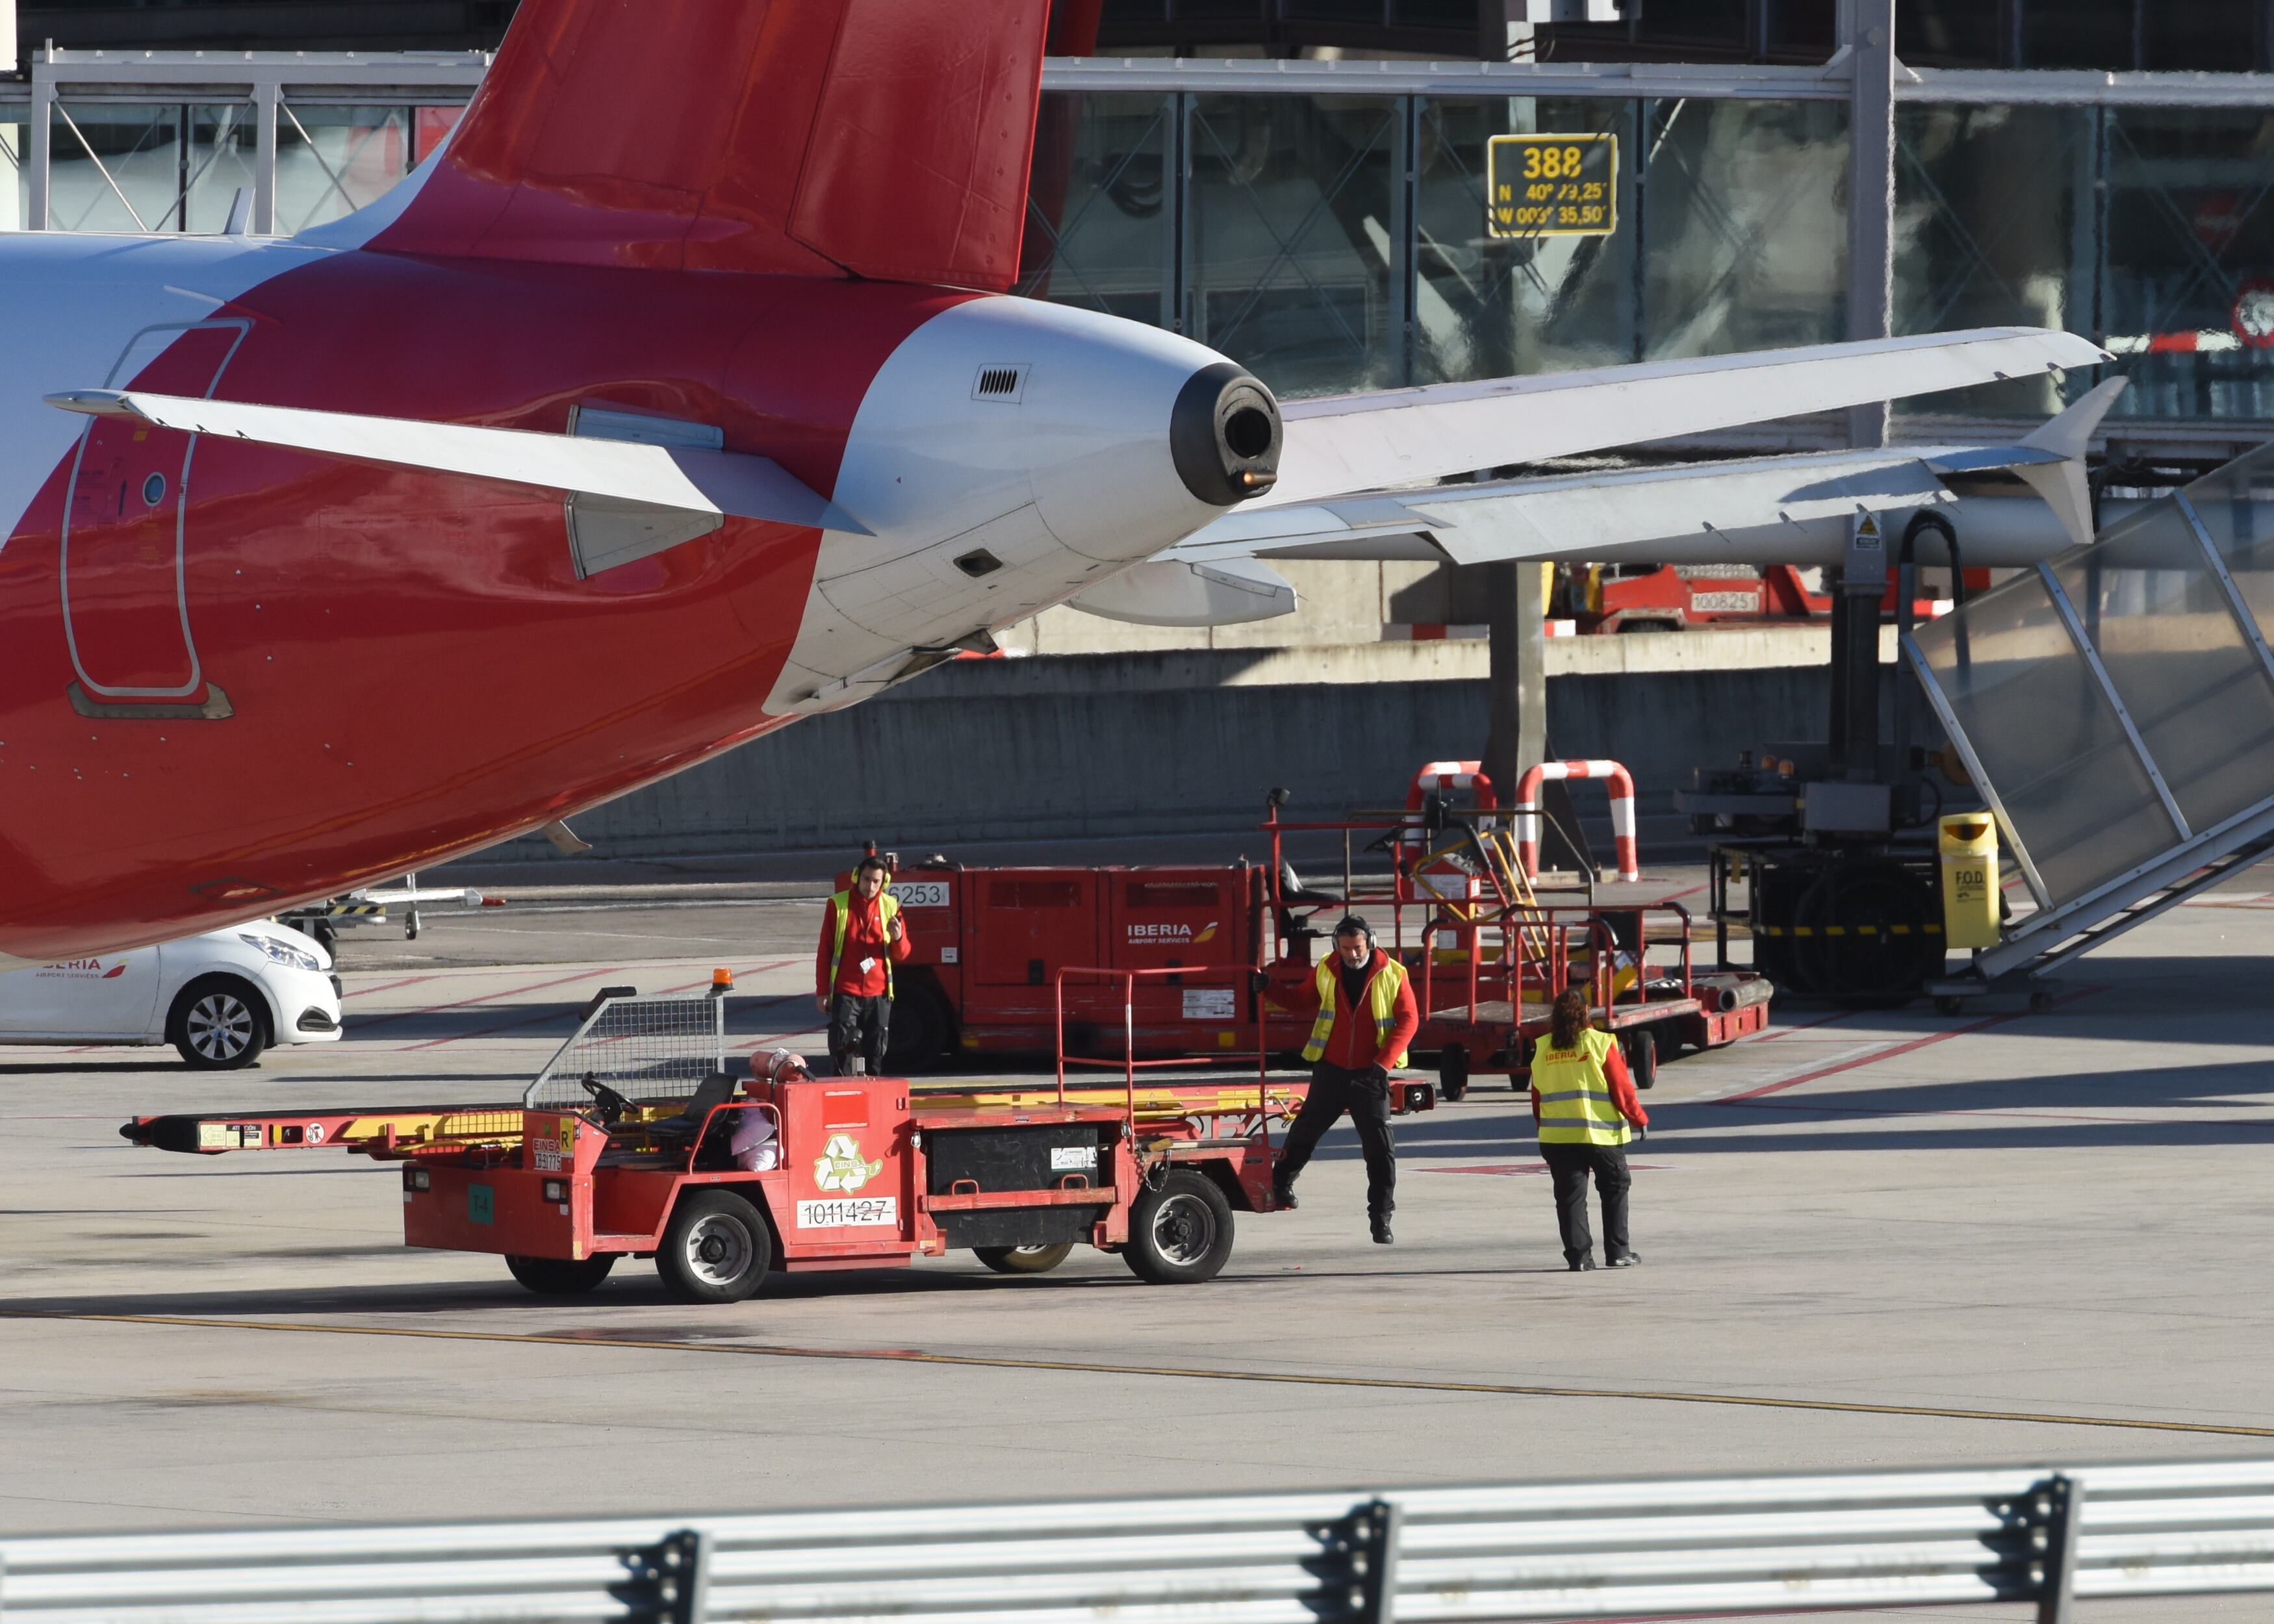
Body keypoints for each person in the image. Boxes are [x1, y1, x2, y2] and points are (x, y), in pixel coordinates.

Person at [1271, 914, 1418, 1245]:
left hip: (1371, 1074)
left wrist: (1383, 1064)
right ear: (1337, 945)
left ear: (1371, 942)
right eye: (1346, 948)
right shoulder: (1327, 967)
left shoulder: (1394, 973)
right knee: (1304, 1132)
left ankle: (1381, 1217)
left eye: (1358, 947)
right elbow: (1301, 1000)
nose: (1352, 954)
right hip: (1332, 1070)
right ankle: (1280, 1185)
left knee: (1381, 1150)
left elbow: (1409, 1021)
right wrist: (1269, 989)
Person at [1530, 987, 1649, 1271]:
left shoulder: (1543, 1047)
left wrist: (1545, 1125)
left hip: (1558, 1138)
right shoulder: (1600, 1043)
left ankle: (1579, 1258)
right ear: (1586, 1013)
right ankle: (1618, 1252)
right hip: (1601, 1136)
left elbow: (1537, 1097)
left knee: (1570, 1198)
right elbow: (1621, 1089)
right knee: (1614, 1189)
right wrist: (1639, 1118)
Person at [815, 856, 911, 1075]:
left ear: (884, 882)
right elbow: (825, 952)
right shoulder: (837, 905)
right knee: (843, 1053)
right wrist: (822, 992)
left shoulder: (891, 906)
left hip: (879, 995)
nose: (871, 886)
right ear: (857, 877)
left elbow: (903, 954)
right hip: (846, 993)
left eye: (876, 881)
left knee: (875, 1055)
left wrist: (898, 938)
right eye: (867, 879)